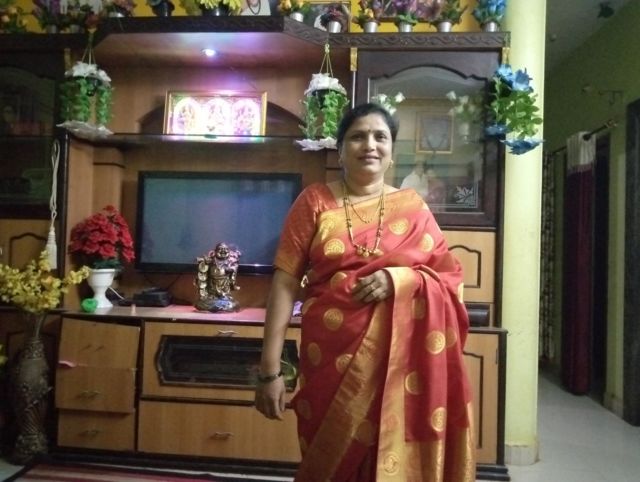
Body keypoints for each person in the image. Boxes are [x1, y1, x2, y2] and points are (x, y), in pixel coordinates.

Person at [255, 103, 475, 481]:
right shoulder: (314, 202)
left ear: (392, 153)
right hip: (329, 358)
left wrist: (402, 281)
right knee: (331, 456)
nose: (369, 145)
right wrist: (269, 372)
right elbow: (285, 283)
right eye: (357, 136)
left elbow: (449, 280)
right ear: (340, 151)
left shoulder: (413, 208)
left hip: (400, 364)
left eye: (380, 137)